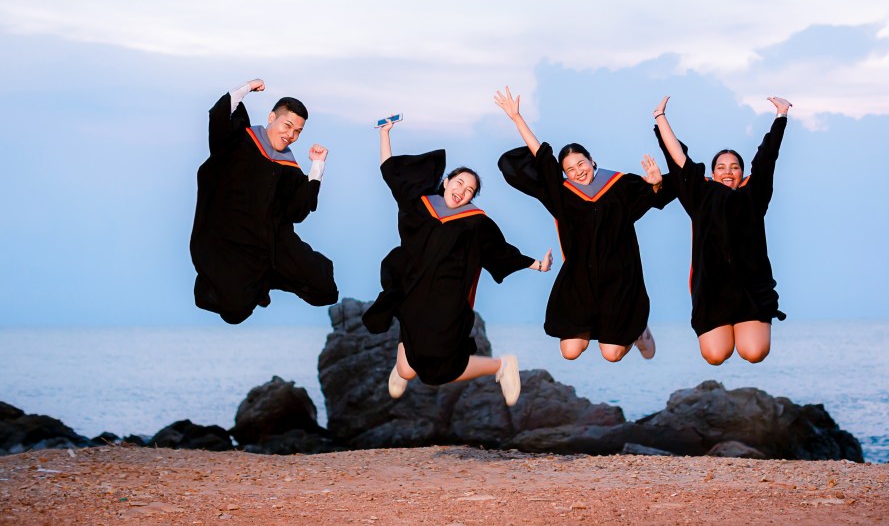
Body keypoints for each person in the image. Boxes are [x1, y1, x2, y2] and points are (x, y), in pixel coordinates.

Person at [362, 117, 553, 406]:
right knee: (407, 370)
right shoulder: (420, 202)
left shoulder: (475, 222)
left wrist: (537, 264)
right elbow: (391, 172)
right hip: (413, 291)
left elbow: (500, 251)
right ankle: (402, 369)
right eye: (459, 182)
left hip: (448, 300)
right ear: (446, 182)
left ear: (472, 198)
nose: (462, 191)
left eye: (469, 190)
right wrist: (384, 134)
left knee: (440, 371)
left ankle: (502, 365)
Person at [494, 87, 669, 363]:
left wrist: (656, 183)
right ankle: (622, 329)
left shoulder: (619, 184)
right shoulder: (562, 195)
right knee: (570, 352)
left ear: (592, 161)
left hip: (619, 279)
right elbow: (542, 158)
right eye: (570, 169)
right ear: (564, 173)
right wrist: (517, 118)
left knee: (611, 355)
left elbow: (651, 199)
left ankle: (638, 331)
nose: (578, 171)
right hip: (580, 282)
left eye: (581, 163)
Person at [652, 95, 791, 365]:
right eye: (721, 167)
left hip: (752, 291)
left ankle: (747, 329)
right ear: (713, 173)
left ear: (742, 173)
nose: (728, 172)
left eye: (734, 167)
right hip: (712, 293)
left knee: (754, 353)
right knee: (716, 356)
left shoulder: (755, 194)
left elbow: (767, 157)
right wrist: (660, 118)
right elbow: (678, 158)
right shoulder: (699, 195)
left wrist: (781, 116)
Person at [190, 79, 339, 324]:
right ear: (272, 118)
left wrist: (317, 166)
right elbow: (219, 116)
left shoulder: (289, 167)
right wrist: (247, 87)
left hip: (273, 241)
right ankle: (254, 283)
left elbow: (298, 211)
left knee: (325, 289)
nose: (291, 135)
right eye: (287, 125)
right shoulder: (238, 141)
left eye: (298, 131)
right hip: (232, 240)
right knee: (235, 311)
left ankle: (267, 278)